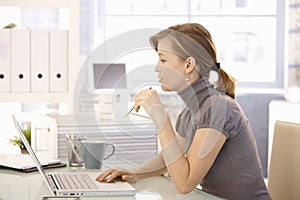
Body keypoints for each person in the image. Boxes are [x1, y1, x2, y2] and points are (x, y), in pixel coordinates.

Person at [96, 23, 271, 200]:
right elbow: (167, 160)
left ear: (188, 65)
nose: (157, 68)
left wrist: (161, 118)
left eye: (163, 60)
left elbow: (185, 183)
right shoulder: (191, 112)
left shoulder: (219, 108)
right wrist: (134, 173)